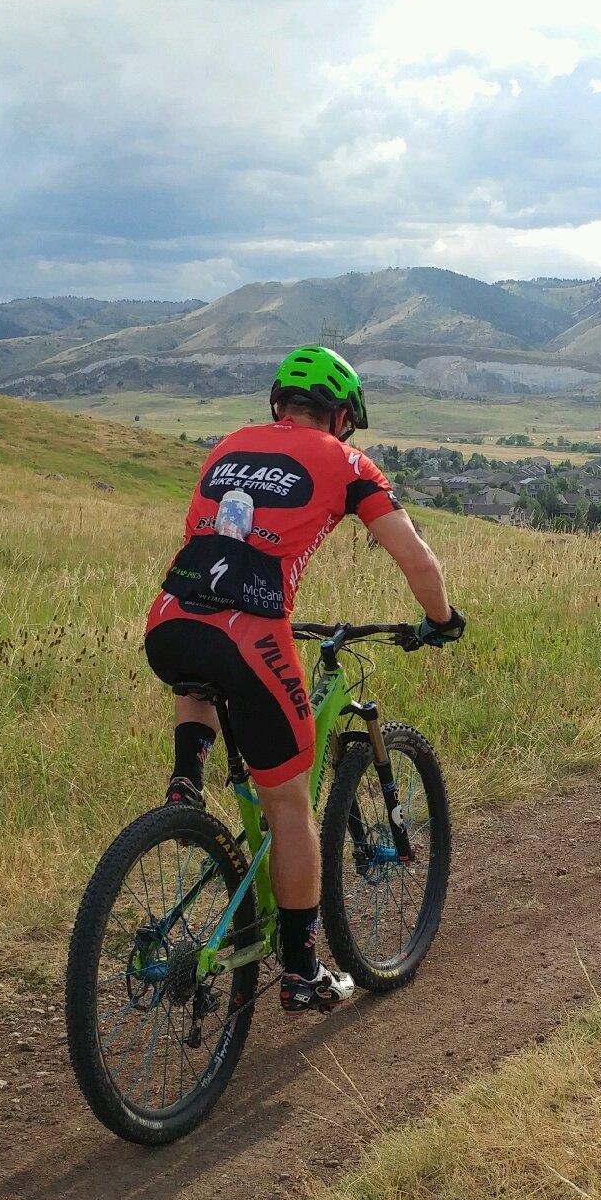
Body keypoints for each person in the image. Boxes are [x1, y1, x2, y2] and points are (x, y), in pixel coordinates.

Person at [143, 345, 463, 1013]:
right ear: (342, 416)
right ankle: (301, 970)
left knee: (199, 672)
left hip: (170, 618)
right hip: (253, 634)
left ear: (277, 404)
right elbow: (416, 557)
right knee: (290, 806)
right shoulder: (346, 462)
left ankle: (184, 786)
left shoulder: (227, 445)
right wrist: (442, 619)